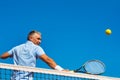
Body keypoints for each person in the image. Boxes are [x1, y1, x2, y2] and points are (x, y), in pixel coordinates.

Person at [0, 30, 66, 80]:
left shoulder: (16, 48)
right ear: (31, 38)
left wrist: (14, 54)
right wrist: (61, 70)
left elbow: (3, 56)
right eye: (38, 39)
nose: (40, 41)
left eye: (40, 39)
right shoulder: (36, 48)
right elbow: (47, 59)